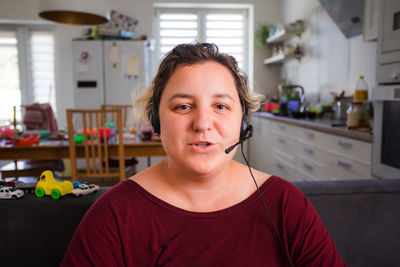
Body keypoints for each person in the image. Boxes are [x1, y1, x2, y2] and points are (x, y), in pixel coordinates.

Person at [61, 42, 346, 266]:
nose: (202, 124)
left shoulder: (286, 205)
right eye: (183, 106)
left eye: (221, 106)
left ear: (243, 122)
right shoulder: (114, 214)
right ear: (156, 121)